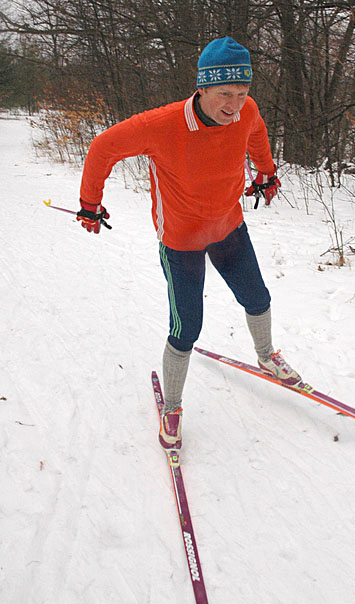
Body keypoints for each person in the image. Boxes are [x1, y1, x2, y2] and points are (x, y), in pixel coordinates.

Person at [77, 36, 301, 449]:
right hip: (180, 240)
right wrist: (90, 202)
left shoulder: (245, 111)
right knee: (187, 328)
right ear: (202, 87)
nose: (234, 105)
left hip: (228, 227)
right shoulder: (160, 125)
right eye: (224, 94)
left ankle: (267, 356)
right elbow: (102, 147)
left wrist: (265, 172)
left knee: (258, 298)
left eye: (242, 92)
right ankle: (173, 406)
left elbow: (256, 132)